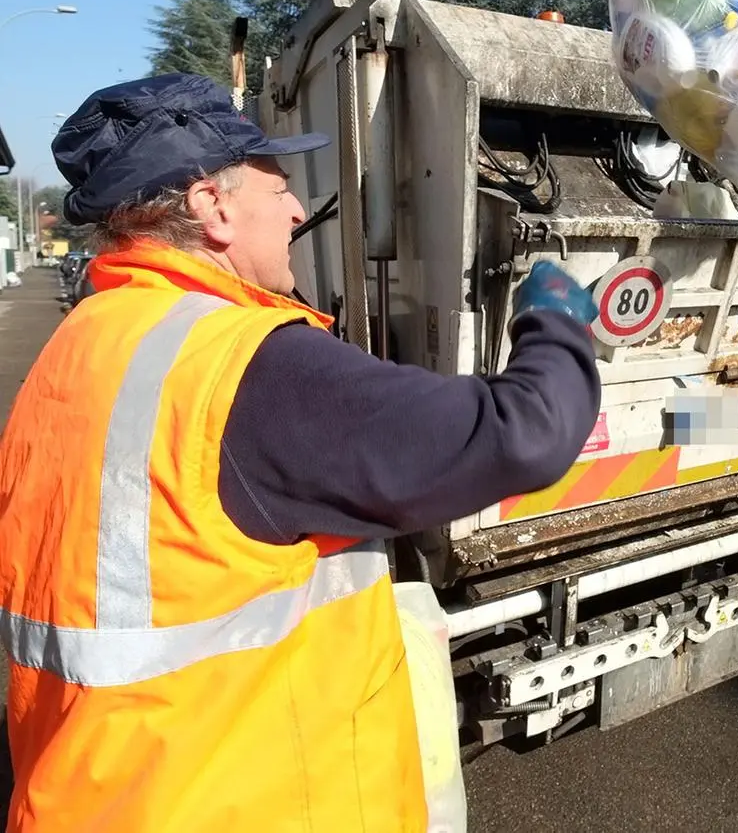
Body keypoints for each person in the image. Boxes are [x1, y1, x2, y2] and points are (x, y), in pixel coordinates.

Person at [0, 73, 600, 833]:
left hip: (90, 790)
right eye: (276, 183)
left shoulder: (80, 345)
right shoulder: (246, 368)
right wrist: (556, 319)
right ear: (210, 207)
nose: (293, 207)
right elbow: (527, 432)